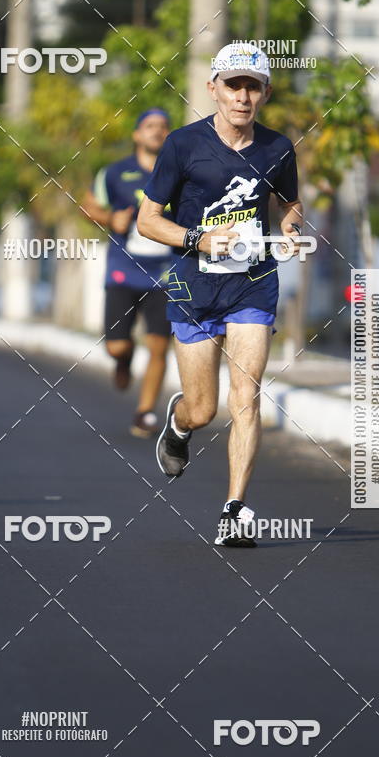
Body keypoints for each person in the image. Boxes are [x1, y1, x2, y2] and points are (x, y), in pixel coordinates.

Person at [137, 43, 305, 547]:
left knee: (246, 398)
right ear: (214, 89)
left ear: (265, 93)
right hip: (194, 284)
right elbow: (148, 221)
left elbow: (290, 203)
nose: (243, 96)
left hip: (253, 282)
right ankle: (180, 422)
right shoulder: (183, 145)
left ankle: (234, 509)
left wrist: (292, 228)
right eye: (233, 85)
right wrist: (199, 238)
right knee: (205, 408)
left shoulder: (278, 148)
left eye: (253, 86)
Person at [81, 109, 173, 439]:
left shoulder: (180, 172)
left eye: (163, 127)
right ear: (136, 134)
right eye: (149, 126)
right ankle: (124, 359)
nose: (157, 131)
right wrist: (109, 219)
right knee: (117, 347)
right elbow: (88, 204)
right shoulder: (115, 172)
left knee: (160, 347)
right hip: (123, 271)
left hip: (166, 273)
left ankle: (145, 412)